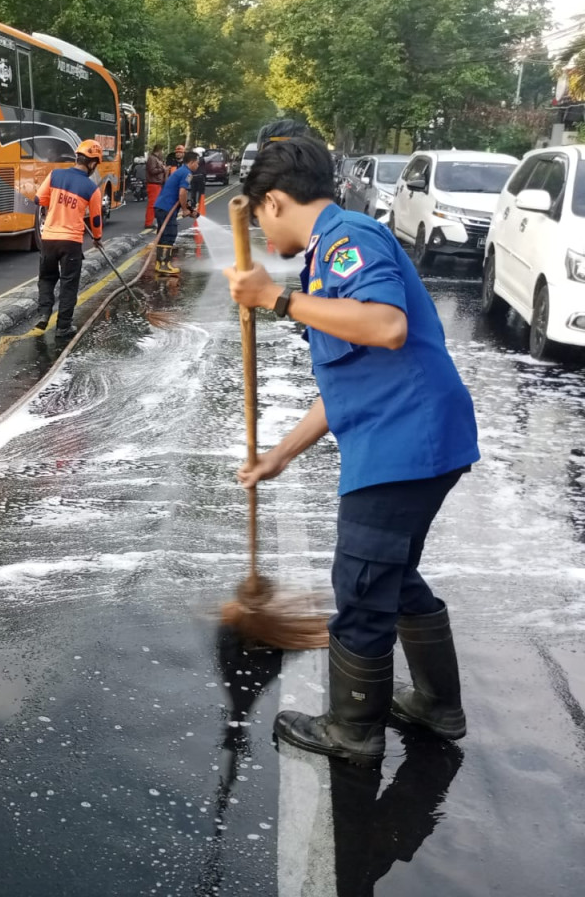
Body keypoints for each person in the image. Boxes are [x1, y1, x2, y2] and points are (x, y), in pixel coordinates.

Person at [223, 134, 479, 768]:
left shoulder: (348, 242)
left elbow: (385, 326)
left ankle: (352, 731)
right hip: (413, 435)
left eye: (258, 214)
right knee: (390, 573)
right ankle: (438, 706)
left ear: (275, 202)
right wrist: (279, 455)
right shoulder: (327, 254)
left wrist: (275, 299)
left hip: (407, 441)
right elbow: (349, 383)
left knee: (362, 582)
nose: (258, 228)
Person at [33, 139, 104, 339]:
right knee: (68, 284)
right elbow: (96, 218)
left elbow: (39, 200)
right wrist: (97, 238)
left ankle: (44, 313)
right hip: (71, 242)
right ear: (92, 163)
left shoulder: (55, 175)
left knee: (46, 278)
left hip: (48, 239)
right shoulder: (92, 189)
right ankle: (63, 326)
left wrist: (56, 205)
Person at [152, 151, 200, 275]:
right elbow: (182, 193)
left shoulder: (181, 171)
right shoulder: (187, 173)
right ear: (192, 162)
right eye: (197, 163)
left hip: (162, 207)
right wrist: (184, 210)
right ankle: (164, 265)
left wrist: (189, 210)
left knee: (163, 235)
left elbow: (180, 197)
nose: (198, 166)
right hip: (166, 208)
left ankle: (160, 263)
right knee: (169, 235)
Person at [144, 144, 167, 230]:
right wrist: (163, 169)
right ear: (159, 150)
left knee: (155, 204)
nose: (163, 153)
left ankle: (151, 221)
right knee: (152, 204)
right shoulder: (152, 159)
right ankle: (148, 222)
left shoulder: (156, 159)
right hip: (153, 183)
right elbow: (152, 170)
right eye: (162, 150)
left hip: (157, 183)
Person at [188, 147, 207, 216]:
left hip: (193, 177)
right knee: (201, 192)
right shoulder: (201, 159)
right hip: (200, 177)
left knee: (193, 191)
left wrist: (188, 180)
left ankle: (193, 204)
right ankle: (200, 203)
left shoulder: (192, 160)